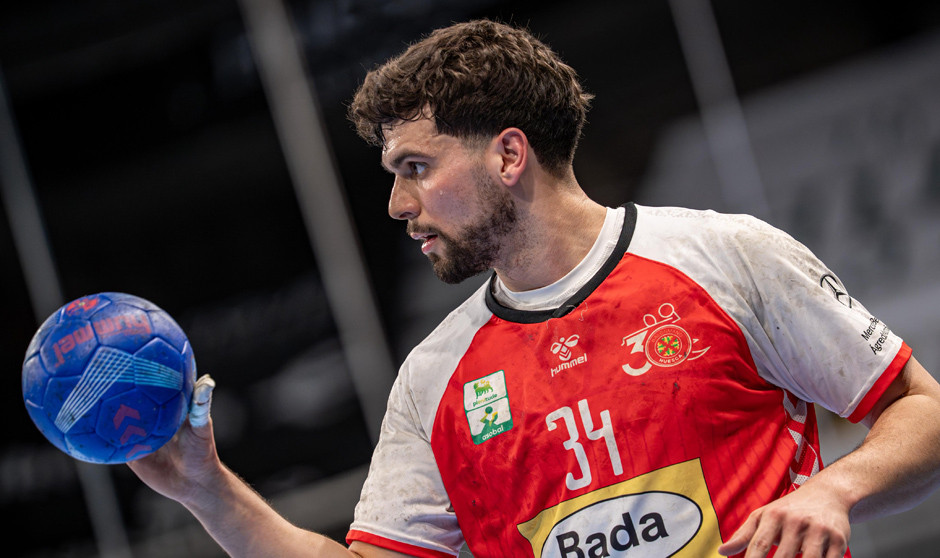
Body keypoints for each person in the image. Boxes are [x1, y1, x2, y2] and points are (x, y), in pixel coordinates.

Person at [129, 19, 940, 558]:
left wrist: (835, 491)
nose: (396, 203)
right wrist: (211, 492)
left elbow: (923, 413)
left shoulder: (724, 257)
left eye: (416, 167)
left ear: (507, 156)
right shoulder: (433, 378)